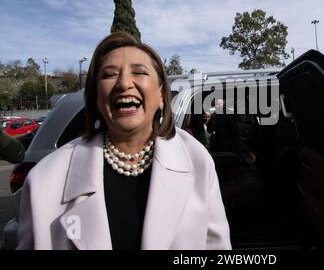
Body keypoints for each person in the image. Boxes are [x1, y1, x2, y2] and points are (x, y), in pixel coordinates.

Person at [17, 31, 231, 250]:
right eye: (109, 75)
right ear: (96, 98)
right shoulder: (45, 178)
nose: (123, 83)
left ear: (161, 96)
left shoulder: (196, 159)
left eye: (139, 72)